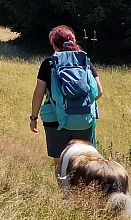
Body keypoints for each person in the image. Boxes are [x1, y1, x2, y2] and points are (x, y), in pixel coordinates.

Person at [29, 25, 103, 177]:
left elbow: (38, 94)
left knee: (60, 164)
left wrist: (33, 118)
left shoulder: (49, 63)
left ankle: (64, 190)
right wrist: (80, 104)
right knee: (83, 163)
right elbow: (99, 91)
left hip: (55, 120)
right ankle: (81, 189)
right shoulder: (85, 61)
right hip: (83, 120)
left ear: (54, 44)